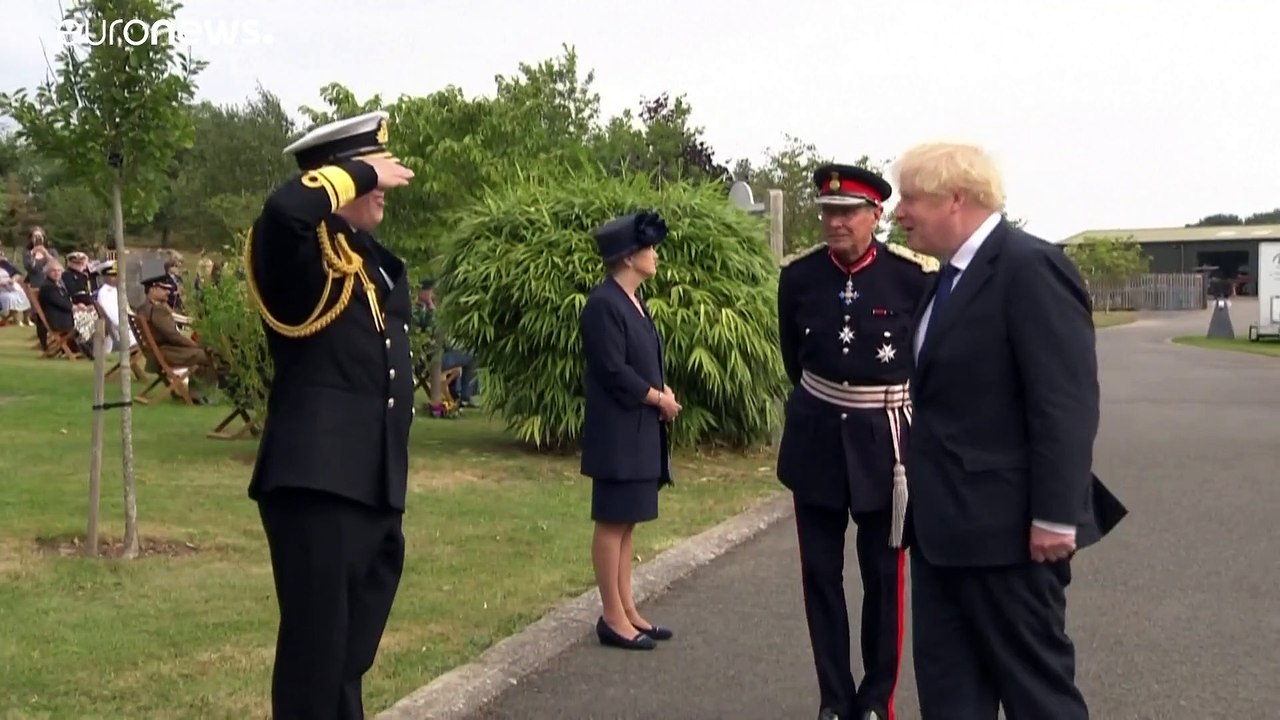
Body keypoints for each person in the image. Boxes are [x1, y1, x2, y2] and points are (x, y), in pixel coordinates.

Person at [894, 141, 1128, 720]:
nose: (899, 212)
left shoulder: (1028, 268)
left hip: (1009, 537)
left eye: (910, 199)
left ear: (955, 198)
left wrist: (1056, 514)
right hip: (941, 536)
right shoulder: (943, 280)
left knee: (1037, 697)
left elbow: (1064, 402)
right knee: (950, 699)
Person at [243, 109, 417, 720]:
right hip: (316, 484)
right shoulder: (298, 254)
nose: (385, 185)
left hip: (370, 483)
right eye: (373, 173)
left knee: (347, 659)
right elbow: (285, 210)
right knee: (314, 662)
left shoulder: (367, 260)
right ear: (337, 178)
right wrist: (359, 173)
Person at [776, 164, 938, 720]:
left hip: (884, 448)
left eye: (847, 212)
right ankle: (834, 699)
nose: (835, 222)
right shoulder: (798, 277)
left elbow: (926, 364)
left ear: (875, 216)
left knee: (883, 580)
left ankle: (875, 700)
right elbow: (794, 360)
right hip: (817, 440)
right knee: (820, 577)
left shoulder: (913, 278)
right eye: (828, 211)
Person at [579, 210, 680, 652]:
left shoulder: (635, 302)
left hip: (639, 429)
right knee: (612, 521)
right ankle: (612, 617)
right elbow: (612, 369)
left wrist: (662, 389)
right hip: (617, 431)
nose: (654, 256)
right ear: (627, 257)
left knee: (627, 523)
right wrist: (657, 398)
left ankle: (627, 608)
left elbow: (641, 360)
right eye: (649, 249)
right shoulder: (604, 304)